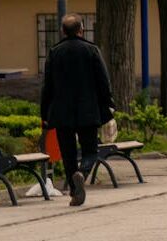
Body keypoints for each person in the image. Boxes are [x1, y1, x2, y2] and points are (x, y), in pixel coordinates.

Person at [40, 13, 114, 206]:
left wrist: (45, 113)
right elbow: (103, 82)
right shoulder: (91, 50)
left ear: (63, 31)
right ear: (81, 29)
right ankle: (83, 172)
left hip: (62, 112)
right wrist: (109, 104)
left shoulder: (54, 53)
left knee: (68, 154)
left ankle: (74, 192)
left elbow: (47, 87)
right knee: (90, 150)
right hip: (88, 111)